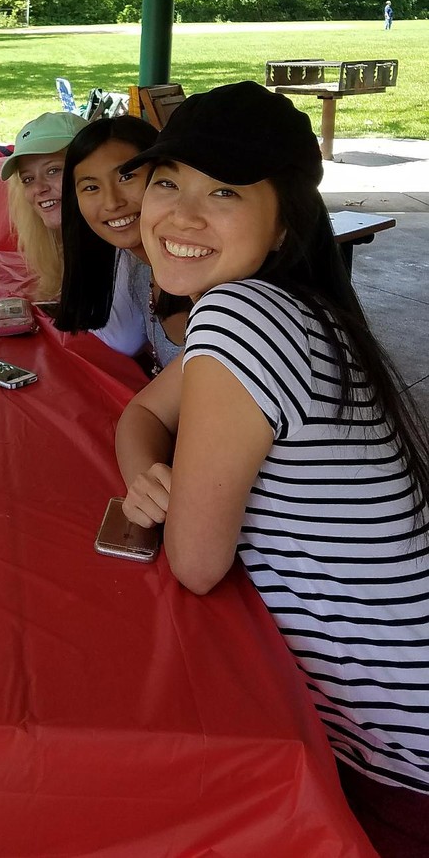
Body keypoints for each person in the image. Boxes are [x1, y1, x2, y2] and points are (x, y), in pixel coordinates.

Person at [113, 82, 429, 858]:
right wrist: (148, 472)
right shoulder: (289, 305)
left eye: (224, 191)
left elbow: (195, 562)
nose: (182, 215)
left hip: (398, 760)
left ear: (284, 220)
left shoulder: (241, 316)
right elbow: (140, 414)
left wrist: (169, 490)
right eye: (168, 182)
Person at [55, 115, 187, 368]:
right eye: (91, 188)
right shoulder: (137, 268)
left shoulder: (208, 282)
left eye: (126, 177)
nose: (112, 202)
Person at [2, 111, 88, 301]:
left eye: (53, 170)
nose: (38, 188)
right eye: (28, 179)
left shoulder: (125, 252)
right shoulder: (60, 252)